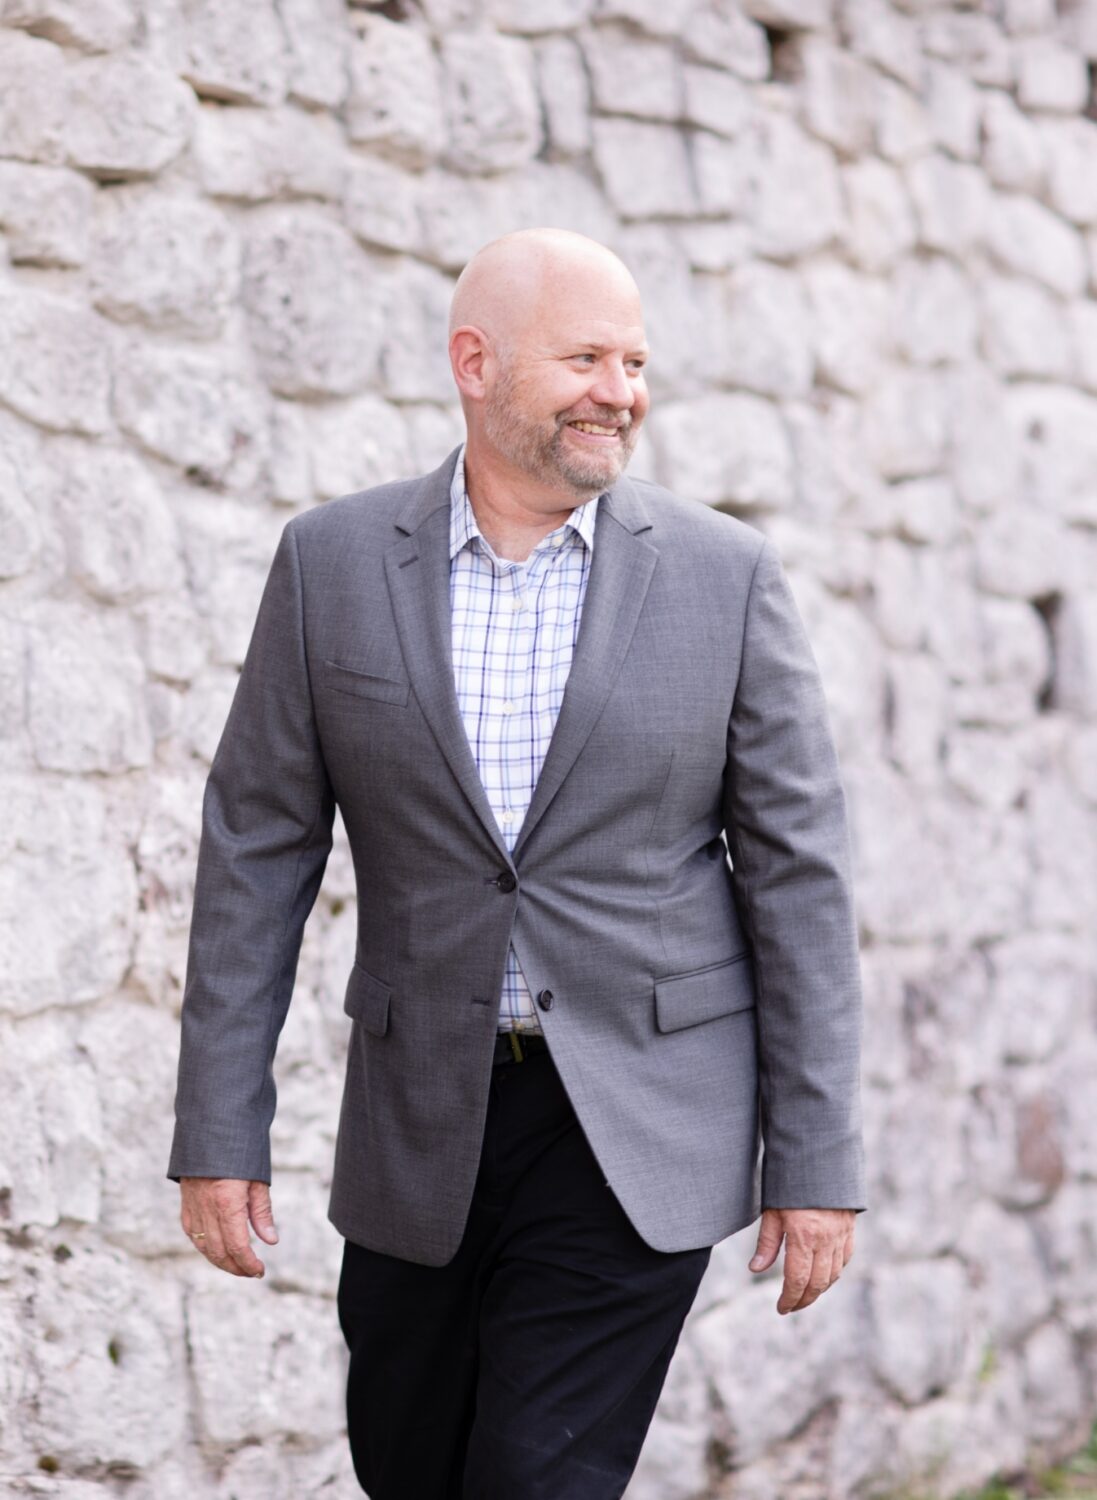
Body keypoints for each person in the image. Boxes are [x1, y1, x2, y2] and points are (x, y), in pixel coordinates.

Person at [167, 227, 866, 1499]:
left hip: (636, 1123)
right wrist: (220, 1126)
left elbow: (796, 877)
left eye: (634, 362)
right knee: (410, 1465)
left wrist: (813, 1160)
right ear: (474, 363)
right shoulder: (330, 565)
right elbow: (255, 848)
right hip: (417, 1121)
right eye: (585, 358)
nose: (620, 391)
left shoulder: (723, 578)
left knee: (537, 1479)